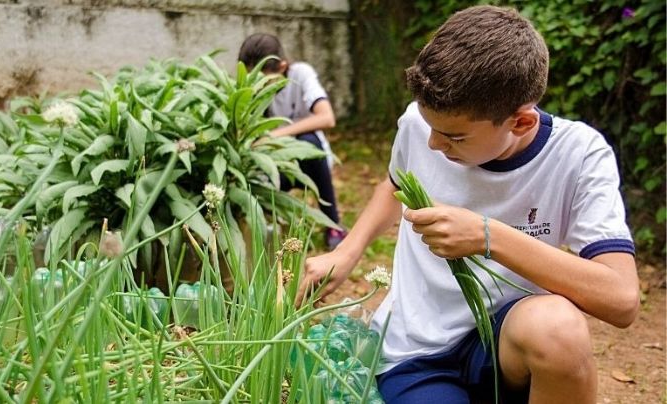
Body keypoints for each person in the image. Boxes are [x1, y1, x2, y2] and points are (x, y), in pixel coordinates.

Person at [297, 5, 639, 403]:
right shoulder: (417, 125)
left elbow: (622, 299)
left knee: (559, 328)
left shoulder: (579, 154)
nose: (433, 145)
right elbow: (392, 185)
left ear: (521, 122)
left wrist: (488, 236)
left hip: (507, 344)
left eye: (455, 137)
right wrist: (347, 251)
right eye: (430, 129)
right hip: (418, 350)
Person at [238, 33, 348, 250]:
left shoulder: (301, 74)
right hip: (274, 163)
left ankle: (333, 223)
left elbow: (327, 117)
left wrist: (277, 134)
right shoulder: (250, 90)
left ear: (282, 67)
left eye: (263, 78)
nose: (257, 84)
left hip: (310, 163)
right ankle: (275, 228)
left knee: (310, 141)